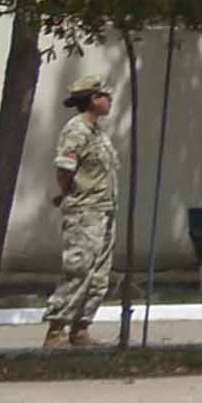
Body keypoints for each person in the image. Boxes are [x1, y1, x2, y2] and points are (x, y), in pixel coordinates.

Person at [38, 80, 123, 346]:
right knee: (79, 268)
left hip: (104, 209)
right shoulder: (77, 131)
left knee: (99, 274)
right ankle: (57, 328)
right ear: (93, 98)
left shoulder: (97, 132)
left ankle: (81, 327)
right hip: (85, 211)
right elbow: (65, 168)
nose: (110, 100)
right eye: (105, 95)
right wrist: (67, 193)